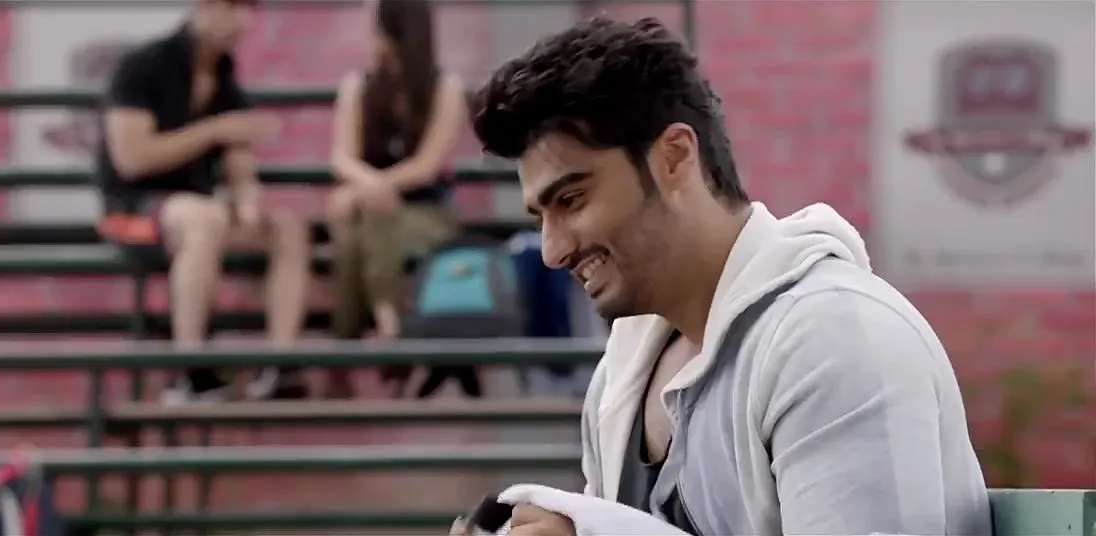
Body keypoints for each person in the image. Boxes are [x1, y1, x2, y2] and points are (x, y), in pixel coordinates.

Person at [463, 16, 991, 536]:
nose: (552, 252)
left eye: (572, 199)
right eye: (540, 217)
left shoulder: (831, 342)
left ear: (674, 158)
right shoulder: (620, 377)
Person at [96, 0, 312, 405]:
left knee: (286, 227)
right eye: (231, 6)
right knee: (204, 219)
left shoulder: (226, 82)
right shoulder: (142, 66)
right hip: (128, 214)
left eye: (247, 8)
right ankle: (190, 370)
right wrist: (214, 130)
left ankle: (280, 365)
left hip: (197, 213)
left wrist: (248, 202)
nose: (242, 20)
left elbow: (238, 164)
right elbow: (132, 158)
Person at [317, 0, 467, 399]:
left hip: (427, 213)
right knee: (365, 225)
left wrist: (365, 190)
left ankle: (341, 358)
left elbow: (426, 166)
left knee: (365, 222)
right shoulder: (359, 87)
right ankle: (390, 328)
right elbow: (342, 158)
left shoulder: (444, 88)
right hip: (371, 214)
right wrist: (369, 189)